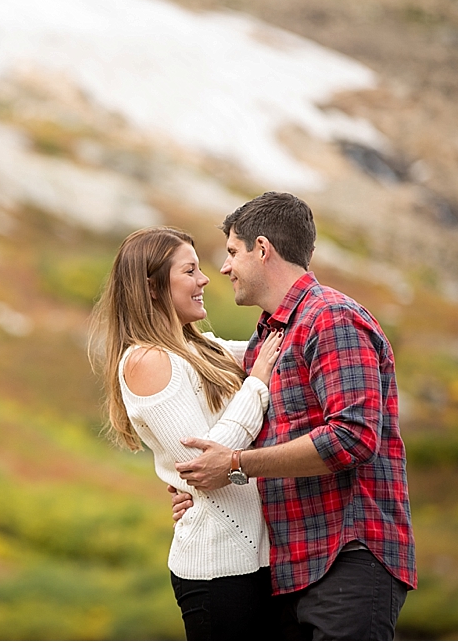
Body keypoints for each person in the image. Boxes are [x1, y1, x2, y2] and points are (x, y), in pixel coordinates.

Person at [169, 192, 416, 640]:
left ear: (262, 249)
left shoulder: (331, 318)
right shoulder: (270, 336)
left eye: (231, 252)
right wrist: (205, 492)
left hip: (347, 556)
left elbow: (353, 438)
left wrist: (236, 467)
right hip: (291, 565)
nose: (223, 269)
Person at [88, 225, 285, 640]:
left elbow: (270, 347)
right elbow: (206, 462)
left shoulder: (197, 346)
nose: (205, 280)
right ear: (154, 287)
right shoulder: (146, 361)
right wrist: (258, 383)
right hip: (218, 573)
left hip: (259, 563)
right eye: (190, 271)